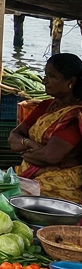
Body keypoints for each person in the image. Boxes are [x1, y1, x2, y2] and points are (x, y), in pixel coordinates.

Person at [11, 53, 82, 202]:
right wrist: (30, 143)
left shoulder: (75, 115)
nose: (44, 81)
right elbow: (13, 137)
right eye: (45, 75)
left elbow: (50, 156)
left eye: (52, 76)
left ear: (71, 81)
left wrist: (27, 151)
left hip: (62, 184)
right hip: (33, 172)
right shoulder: (45, 106)